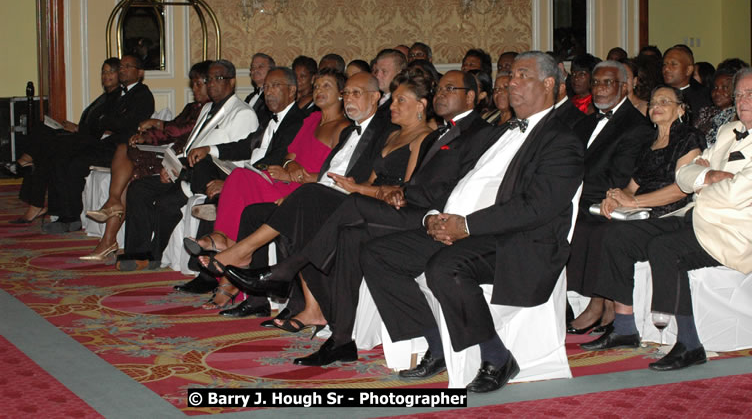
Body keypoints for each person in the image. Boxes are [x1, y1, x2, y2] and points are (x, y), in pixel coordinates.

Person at [357, 51, 583, 393]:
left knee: (445, 268)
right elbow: (464, 183)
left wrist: (467, 226)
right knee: (377, 254)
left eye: (523, 75)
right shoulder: (501, 131)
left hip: (519, 240)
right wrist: (435, 218)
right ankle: (435, 344)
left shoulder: (561, 140)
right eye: (511, 75)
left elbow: (536, 208)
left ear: (550, 84)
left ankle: (496, 355)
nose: (511, 82)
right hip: (469, 228)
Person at [223, 70, 491, 345]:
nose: (393, 107)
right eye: (394, 100)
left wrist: (364, 190)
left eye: (400, 101)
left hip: (413, 211)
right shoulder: (406, 136)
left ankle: (279, 267)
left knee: (320, 198)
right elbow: (385, 182)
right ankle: (341, 338)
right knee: (338, 224)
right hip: (389, 201)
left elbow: (423, 187)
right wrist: (364, 188)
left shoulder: (443, 135)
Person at [193, 70, 433, 317]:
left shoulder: (382, 131)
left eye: (356, 93)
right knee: (256, 212)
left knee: (301, 202)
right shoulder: (354, 131)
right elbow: (313, 165)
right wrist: (295, 172)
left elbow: (394, 184)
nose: (349, 98)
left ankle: (244, 257)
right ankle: (261, 299)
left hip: (347, 198)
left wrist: (344, 187)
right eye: (347, 93)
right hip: (323, 191)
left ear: (374, 97)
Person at [581, 68, 752, 371]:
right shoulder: (728, 131)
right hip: (693, 216)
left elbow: (734, 195)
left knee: (664, 248)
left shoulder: (690, 136)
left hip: (733, 231)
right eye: (739, 94)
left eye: (750, 94)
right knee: (617, 236)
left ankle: (688, 343)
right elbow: (684, 176)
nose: (742, 100)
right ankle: (624, 328)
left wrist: (701, 182)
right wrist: (708, 176)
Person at [566, 86, 705, 333]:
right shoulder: (650, 142)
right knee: (594, 224)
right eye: (653, 102)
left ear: (681, 108)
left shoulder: (688, 138)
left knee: (613, 235)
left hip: (672, 214)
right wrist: (616, 198)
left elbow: (681, 190)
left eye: (665, 101)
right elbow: (632, 187)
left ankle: (621, 322)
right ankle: (600, 304)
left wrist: (635, 202)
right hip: (643, 211)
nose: (656, 106)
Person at [117, 60, 257, 270]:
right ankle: (136, 251)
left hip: (213, 176)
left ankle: (153, 257)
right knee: (139, 189)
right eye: (209, 79)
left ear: (232, 81)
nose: (212, 84)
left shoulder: (243, 113)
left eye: (219, 78)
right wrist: (170, 168)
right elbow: (191, 147)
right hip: (187, 172)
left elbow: (239, 160)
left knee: (166, 203)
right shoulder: (207, 108)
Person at [79, 61, 212, 261]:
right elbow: (170, 132)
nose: (194, 89)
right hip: (169, 149)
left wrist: (157, 125)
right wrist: (146, 137)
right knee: (126, 147)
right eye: (193, 84)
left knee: (128, 160)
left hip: (179, 157)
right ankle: (112, 211)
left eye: (198, 84)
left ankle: (109, 233)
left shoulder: (210, 110)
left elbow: (178, 131)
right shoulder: (192, 107)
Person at [43, 55, 155, 233]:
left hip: (119, 149)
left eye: (128, 66)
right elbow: (103, 121)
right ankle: (61, 213)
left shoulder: (143, 95)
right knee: (61, 153)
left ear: (139, 72)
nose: (122, 70)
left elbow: (128, 125)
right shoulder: (118, 94)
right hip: (104, 142)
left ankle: (71, 218)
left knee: (75, 162)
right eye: (121, 67)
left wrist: (107, 123)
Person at [10, 58, 123, 223]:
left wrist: (77, 129)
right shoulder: (104, 97)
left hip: (93, 143)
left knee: (47, 146)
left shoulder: (119, 98)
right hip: (83, 135)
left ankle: (25, 166)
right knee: (42, 129)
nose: (106, 76)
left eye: (110, 72)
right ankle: (26, 165)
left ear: (119, 74)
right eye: (103, 72)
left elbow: (107, 129)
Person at [662, 45, 711, 124]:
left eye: (673, 64)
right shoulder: (658, 95)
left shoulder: (703, 99)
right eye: (664, 64)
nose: (666, 69)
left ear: (689, 70)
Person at [244, 53, 274, 127]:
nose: (255, 70)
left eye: (260, 66)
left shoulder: (273, 97)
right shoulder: (249, 97)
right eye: (252, 67)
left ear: (271, 70)